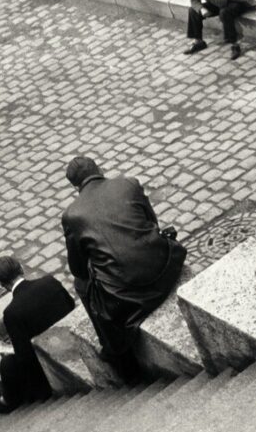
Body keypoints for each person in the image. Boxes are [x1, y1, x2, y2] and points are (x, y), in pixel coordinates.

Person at [61, 157, 186, 380]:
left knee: (81, 285)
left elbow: (78, 270)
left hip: (130, 294)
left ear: (75, 186)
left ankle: (115, 351)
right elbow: (152, 223)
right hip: (165, 266)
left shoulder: (72, 215)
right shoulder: (128, 183)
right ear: (99, 168)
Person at [0, 256, 75, 414]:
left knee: (7, 364)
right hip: (71, 342)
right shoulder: (50, 282)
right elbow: (71, 306)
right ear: (21, 268)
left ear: (1, 284)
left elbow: (25, 357)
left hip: (49, 369)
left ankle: (7, 401)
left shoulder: (11, 313)